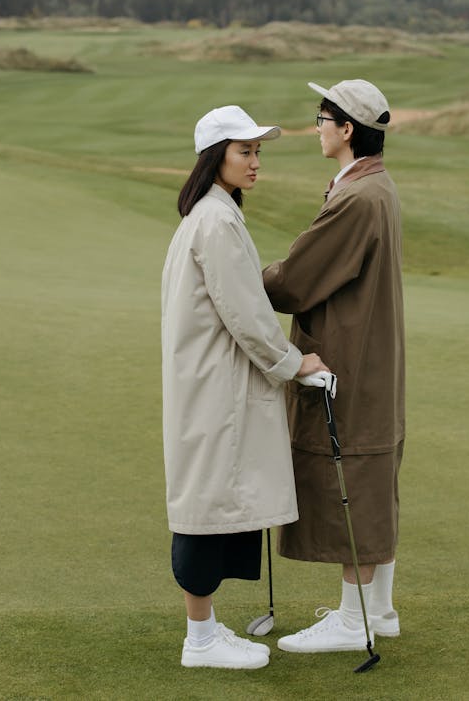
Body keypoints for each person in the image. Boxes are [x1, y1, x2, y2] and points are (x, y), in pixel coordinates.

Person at [161, 104, 329, 671]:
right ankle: (201, 640)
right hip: (218, 389)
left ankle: (206, 631)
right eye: (245, 152)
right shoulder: (215, 221)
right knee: (205, 508)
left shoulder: (213, 215)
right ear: (216, 159)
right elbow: (246, 315)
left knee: (212, 502)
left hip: (215, 385)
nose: (256, 162)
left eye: (258, 152)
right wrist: (294, 362)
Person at [263, 78, 405, 654]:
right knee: (371, 476)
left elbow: (296, 281)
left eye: (323, 118)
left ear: (347, 129)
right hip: (370, 358)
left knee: (357, 478)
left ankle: (355, 621)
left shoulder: (357, 198)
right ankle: (380, 610)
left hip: (351, 359)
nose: (317, 126)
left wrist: (243, 276)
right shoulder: (374, 187)